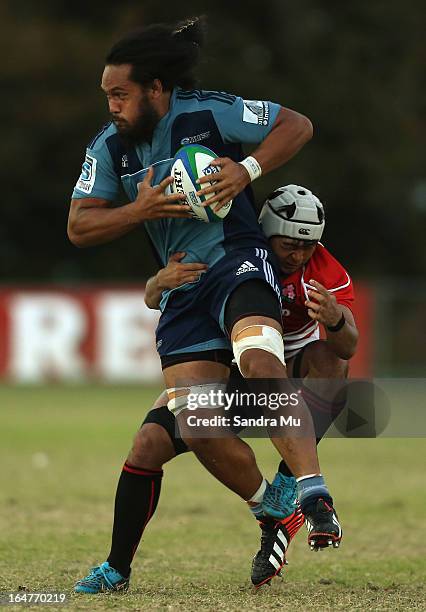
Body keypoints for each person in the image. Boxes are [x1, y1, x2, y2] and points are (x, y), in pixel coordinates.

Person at [68, 16, 342, 592]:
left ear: (156, 89)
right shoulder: (110, 148)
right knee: (187, 427)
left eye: (121, 93)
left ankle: (313, 490)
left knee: (257, 356)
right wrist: (136, 213)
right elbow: (80, 226)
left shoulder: (205, 112)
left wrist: (247, 168)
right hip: (184, 289)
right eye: (107, 95)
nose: (112, 105)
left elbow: (297, 125)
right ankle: (272, 507)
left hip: (235, 260)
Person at [74, 185, 358, 592]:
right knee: (147, 445)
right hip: (223, 375)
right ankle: (117, 569)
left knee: (331, 361)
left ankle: (290, 481)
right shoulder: (230, 250)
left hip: (279, 382)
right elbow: (156, 298)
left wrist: (335, 319)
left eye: (307, 246)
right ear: (266, 232)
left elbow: (349, 344)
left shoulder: (323, 270)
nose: (298, 255)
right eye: (289, 244)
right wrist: (158, 283)